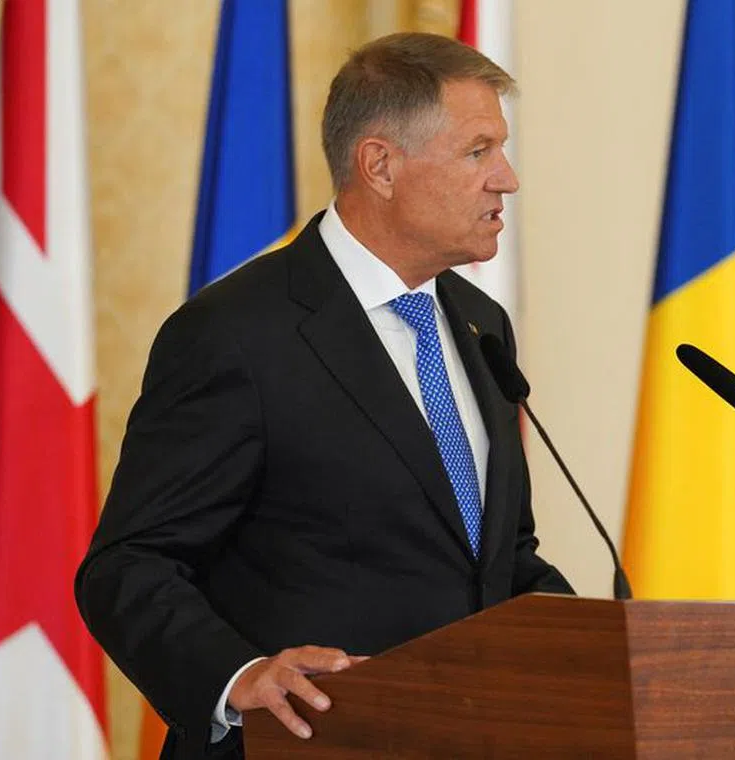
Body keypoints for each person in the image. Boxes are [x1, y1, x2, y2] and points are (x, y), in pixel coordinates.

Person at [75, 32, 573, 760]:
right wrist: (238, 675)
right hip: (296, 744)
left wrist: (620, 646)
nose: (507, 179)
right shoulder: (236, 333)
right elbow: (129, 563)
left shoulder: (479, 323)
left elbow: (497, 559)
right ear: (380, 165)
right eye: (478, 151)